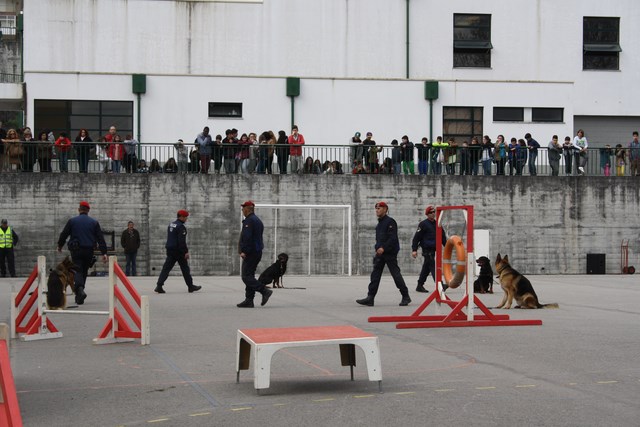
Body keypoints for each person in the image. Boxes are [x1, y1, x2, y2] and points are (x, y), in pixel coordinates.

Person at [356, 202, 411, 307]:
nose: (377, 210)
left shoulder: (390, 222)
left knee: (396, 275)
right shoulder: (379, 224)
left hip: (389, 253)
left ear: (385, 209)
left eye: (379, 208)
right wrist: (377, 248)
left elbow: (392, 238)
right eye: (376, 208)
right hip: (380, 254)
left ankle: (405, 296)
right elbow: (378, 240)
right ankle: (370, 298)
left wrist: (383, 248)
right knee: (375, 275)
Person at [56, 201, 108, 304]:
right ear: (88, 210)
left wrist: (60, 245)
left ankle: (79, 290)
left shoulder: (72, 221)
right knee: (83, 271)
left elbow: (64, 234)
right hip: (89, 251)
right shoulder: (94, 222)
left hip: (76, 250)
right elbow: (100, 238)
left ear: (79, 209)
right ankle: (79, 295)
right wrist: (104, 253)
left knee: (77, 270)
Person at [155, 210, 202, 294]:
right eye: (185, 217)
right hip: (178, 251)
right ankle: (190, 286)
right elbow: (181, 241)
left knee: (166, 268)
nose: (186, 219)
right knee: (185, 269)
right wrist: (185, 252)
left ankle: (159, 285)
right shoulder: (181, 227)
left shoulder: (171, 224)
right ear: (181, 217)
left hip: (170, 249)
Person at [236, 201, 273, 308]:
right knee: (250, 275)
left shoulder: (249, 221)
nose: (242, 210)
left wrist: (244, 251)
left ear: (248, 209)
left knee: (246, 277)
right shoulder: (257, 220)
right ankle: (249, 300)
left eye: (243, 208)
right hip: (256, 252)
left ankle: (264, 291)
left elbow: (247, 238)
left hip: (251, 252)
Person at [411, 206, 446, 293]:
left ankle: (419, 285)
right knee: (433, 266)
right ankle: (440, 285)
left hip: (434, 249)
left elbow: (442, 236)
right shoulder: (423, 224)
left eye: (434, 212)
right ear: (427, 214)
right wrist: (414, 249)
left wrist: (447, 246)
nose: (433, 214)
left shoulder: (438, 223)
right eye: (431, 212)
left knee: (426, 268)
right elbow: (416, 238)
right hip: (427, 249)